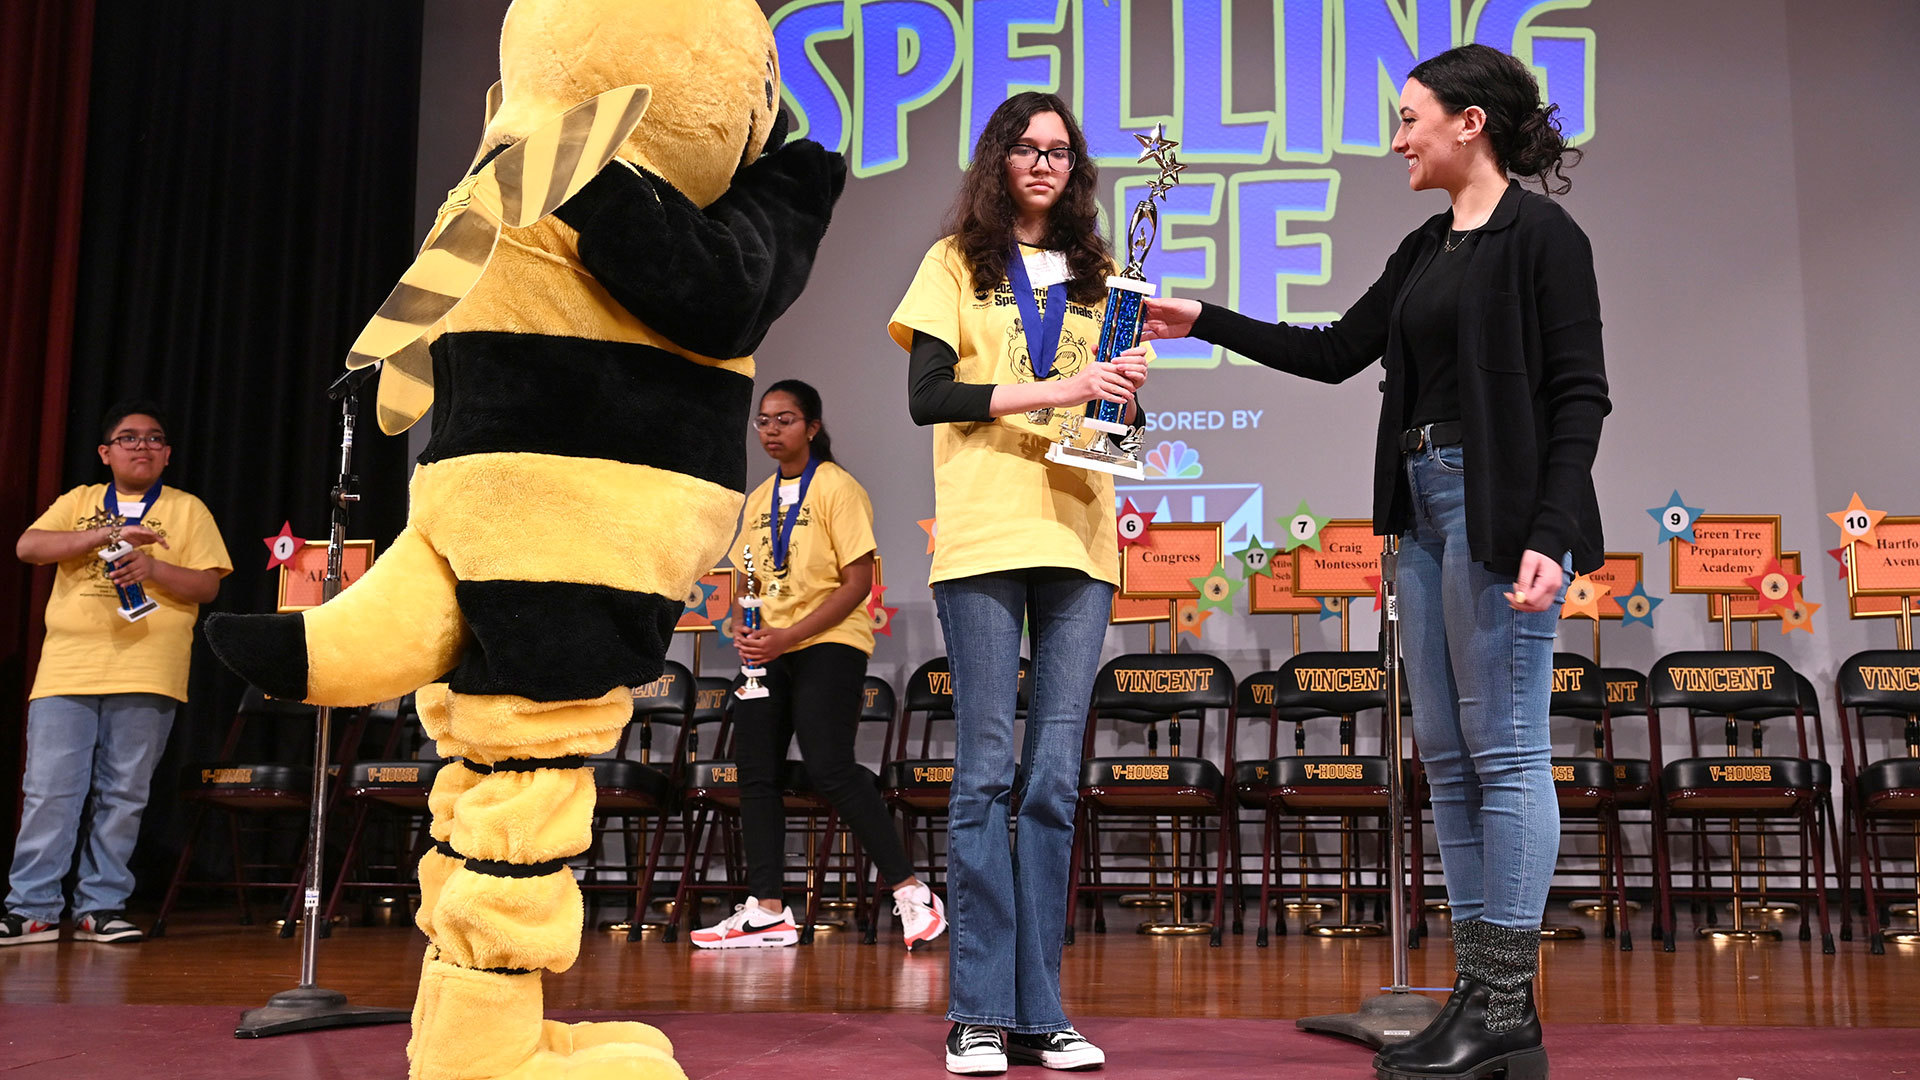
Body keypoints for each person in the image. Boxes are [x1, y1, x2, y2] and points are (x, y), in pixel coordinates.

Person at [1143, 44, 1606, 1080]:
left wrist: (1551, 529)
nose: (1397, 138)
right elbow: (1333, 351)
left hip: (1498, 513)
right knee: (1446, 761)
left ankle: (1503, 1008)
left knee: (1510, 754)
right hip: (1419, 512)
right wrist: (1201, 319)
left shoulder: (1545, 236)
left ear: (1469, 123)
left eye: (1410, 119)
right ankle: (1481, 1008)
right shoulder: (1424, 247)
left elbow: (1581, 395)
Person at [890, 90, 1151, 1075]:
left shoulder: (1103, 274)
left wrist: (1123, 402)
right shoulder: (954, 263)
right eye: (1026, 148)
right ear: (1000, 159)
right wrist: (1060, 389)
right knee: (987, 772)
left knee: (1050, 782)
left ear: (1075, 168)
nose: (1043, 163)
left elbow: (1114, 411)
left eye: (1060, 151)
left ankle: (1042, 1009)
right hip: (985, 536)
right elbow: (928, 397)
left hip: (1082, 539)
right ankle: (977, 1012)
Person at [691, 379, 946, 951]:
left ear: (812, 427)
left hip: (827, 642)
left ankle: (912, 892)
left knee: (830, 766)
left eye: (785, 419)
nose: (771, 430)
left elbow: (857, 583)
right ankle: (769, 910)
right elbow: (748, 579)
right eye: (763, 421)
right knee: (754, 773)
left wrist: (788, 637)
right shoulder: (756, 500)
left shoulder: (837, 488)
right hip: (769, 649)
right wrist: (746, 629)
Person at [2, 401, 232, 946]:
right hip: (67, 669)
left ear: (168, 454)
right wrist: (106, 536)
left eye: (154, 439)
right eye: (128, 438)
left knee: (123, 793)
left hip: (148, 667)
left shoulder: (186, 509)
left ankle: (100, 908)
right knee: (48, 792)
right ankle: (31, 908)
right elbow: (28, 547)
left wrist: (152, 567)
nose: (142, 446)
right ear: (106, 452)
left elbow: (207, 586)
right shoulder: (79, 502)